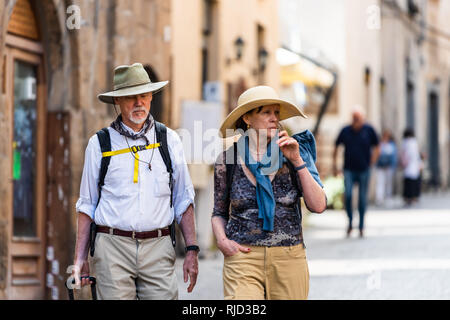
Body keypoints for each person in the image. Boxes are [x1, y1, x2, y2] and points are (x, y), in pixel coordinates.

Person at [72, 63, 198, 299]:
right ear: (117, 101)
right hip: (112, 248)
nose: (139, 103)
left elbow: (183, 199)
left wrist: (191, 249)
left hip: (158, 247)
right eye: (130, 97)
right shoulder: (99, 144)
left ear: (151, 97)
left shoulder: (169, 140)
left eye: (143, 95)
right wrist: (79, 259)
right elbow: (87, 205)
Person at [211, 86, 326, 300]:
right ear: (247, 118)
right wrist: (222, 241)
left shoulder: (295, 151)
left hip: (289, 257)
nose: (274, 118)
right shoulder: (227, 160)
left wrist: (297, 161)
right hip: (243, 257)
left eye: (276, 113)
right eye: (266, 113)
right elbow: (218, 212)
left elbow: (318, 205)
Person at [332, 107, 379, 238]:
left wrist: (372, 162)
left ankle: (362, 226)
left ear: (363, 118)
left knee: (362, 198)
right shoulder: (345, 130)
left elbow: (376, 147)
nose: (356, 121)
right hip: (348, 169)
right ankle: (350, 222)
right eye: (354, 118)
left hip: (364, 169)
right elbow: (336, 147)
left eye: (358, 118)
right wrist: (335, 166)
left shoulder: (369, 130)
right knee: (347, 196)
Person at [400, 128, 422, 206]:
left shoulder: (405, 142)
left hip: (408, 166)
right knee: (413, 183)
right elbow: (416, 155)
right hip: (412, 165)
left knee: (408, 183)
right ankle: (412, 197)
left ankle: (408, 197)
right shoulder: (413, 142)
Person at [375, 130, 397, 206]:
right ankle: (379, 198)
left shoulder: (392, 145)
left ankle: (388, 198)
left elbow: (394, 157)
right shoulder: (379, 144)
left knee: (388, 183)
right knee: (380, 183)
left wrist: (392, 165)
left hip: (389, 167)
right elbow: (377, 154)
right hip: (380, 167)